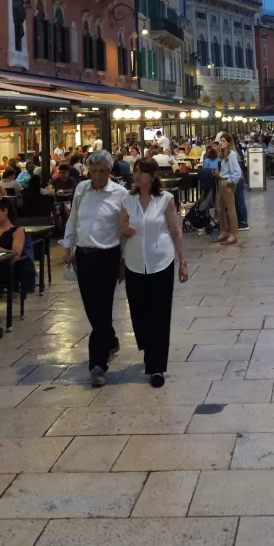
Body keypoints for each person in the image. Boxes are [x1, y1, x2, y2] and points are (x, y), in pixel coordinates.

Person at [120, 157, 188, 387]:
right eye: (135, 172)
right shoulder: (127, 200)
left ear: (153, 175)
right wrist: (125, 230)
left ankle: (156, 366)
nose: (137, 176)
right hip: (135, 262)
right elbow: (122, 228)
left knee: (159, 313)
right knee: (138, 312)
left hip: (161, 260)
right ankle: (148, 347)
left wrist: (183, 261)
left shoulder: (165, 199)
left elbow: (176, 231)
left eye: (141, 172)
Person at [61, 150, 123, 387]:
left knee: (103, 307)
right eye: (93, 171)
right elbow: (73, 219)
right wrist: (67, 246)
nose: (96, 176)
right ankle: (110, 338)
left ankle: (97, 365)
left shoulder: (120, 194)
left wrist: (123, 262)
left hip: (108, 256)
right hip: (83, 257)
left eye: (102, 171)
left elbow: (123, 230)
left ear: (109, 172)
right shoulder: (81, 189)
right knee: (90, 308)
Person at [214, 132, 241, 246]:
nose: (221, 143)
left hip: (227, 183)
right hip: (221, 181)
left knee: (231, 210)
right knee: (220, 208)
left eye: (224, 141)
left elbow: (237, 172)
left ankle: (233, 234)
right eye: (220, 141)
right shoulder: (223, 154)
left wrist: (229, 181)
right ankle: (223, 231)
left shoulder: (232, 155)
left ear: (229, 143)